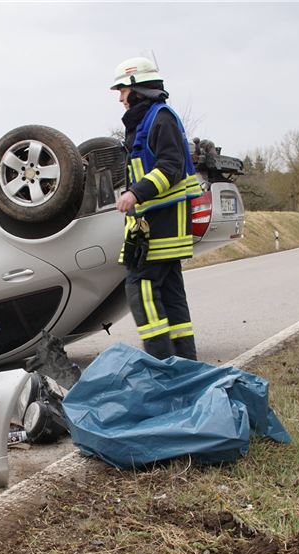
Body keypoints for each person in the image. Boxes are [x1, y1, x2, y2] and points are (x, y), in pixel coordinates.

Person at [111, 57, 204, 360]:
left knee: (141, 288)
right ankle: (185, 365)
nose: (120, 97)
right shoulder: (147, 120)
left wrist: (135, 194)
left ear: (138, 88)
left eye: (123, 90)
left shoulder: (159, 118)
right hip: (161, 224)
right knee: (171, 294)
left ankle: (161, 362)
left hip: (162, 225)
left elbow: (171, 167)